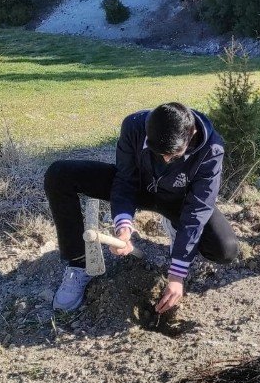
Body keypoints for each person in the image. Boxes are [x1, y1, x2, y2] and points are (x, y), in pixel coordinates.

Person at [44, 103, 238, 313]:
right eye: (158, 153)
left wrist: (176, 275)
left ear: (192, 134)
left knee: (225, 250)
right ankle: (79, 264)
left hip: (179, 200)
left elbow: (198, 210)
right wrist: (123, 227)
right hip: (139, 186)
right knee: (59, 174)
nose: (165, 160)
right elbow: (125, 180)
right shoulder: (134, 126)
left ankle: (175, 227)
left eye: (174, 156)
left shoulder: (212, 149)